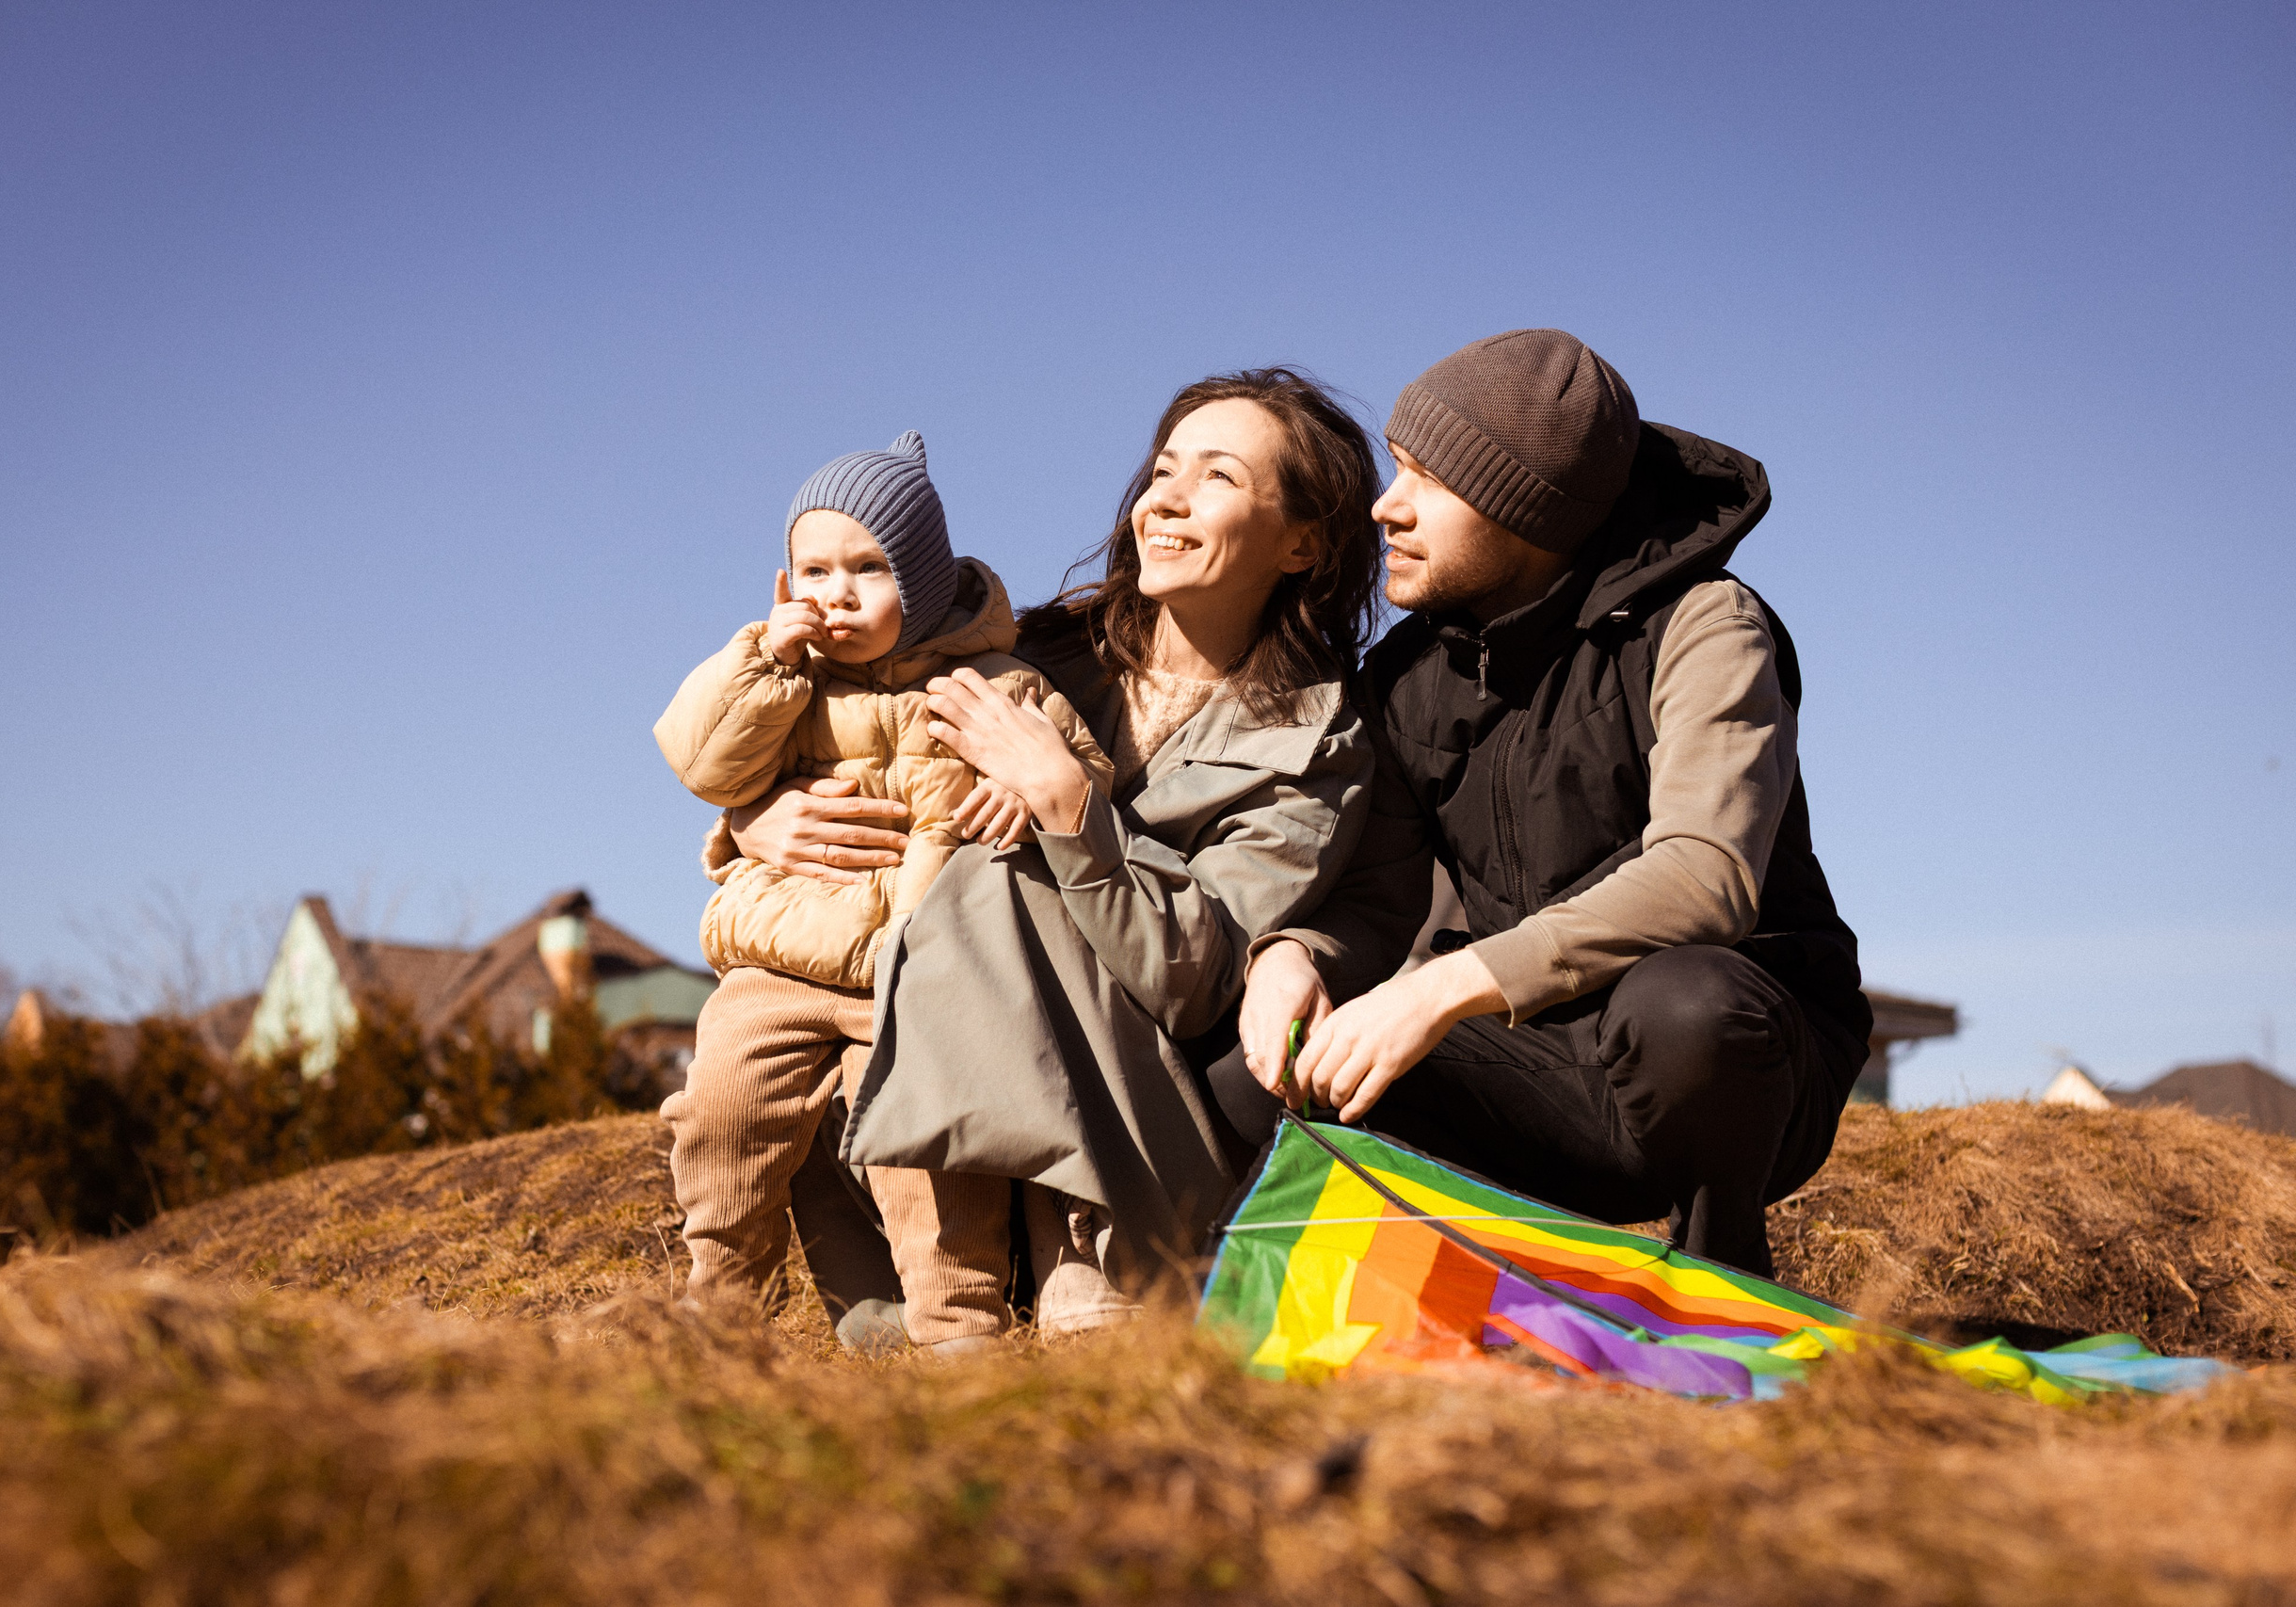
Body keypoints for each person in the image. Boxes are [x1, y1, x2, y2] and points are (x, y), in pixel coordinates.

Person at [721, 371, 1385, 1350]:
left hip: (1125, 1125)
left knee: (1004, 870)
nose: (1164, 497)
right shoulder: (1025, 657)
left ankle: (1081, 1258)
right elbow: (835, 737)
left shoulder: (1317, 744)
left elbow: (1196, 974)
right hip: (937, 1100)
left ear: (1303, 543)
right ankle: (907, 1291)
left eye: (1216, 478)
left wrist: (1070, 805)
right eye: (1163, 469)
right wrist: (751, 819)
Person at [1231, 329, 1872, 1278]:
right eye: (1396, 469)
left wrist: (1442, 986)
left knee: (1684, 1006)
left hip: (1730, 1065)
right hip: (1539, 1068)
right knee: (1273, 1075)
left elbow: (1706, 876)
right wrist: (1292, 958)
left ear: (1526, 511)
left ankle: (1722, 1274)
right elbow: (1376, 899)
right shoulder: (1405, 678)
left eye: (1427, 482)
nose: (1385, 506)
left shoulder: (1705, 624)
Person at [650, 429, 1111, 1341]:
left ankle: (957, 1322)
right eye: (812, 571)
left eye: (869, 568)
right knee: (719, 1114)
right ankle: (720, 1312)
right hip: (776, 965)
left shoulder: (996, 685)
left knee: (925, 1138)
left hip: (915, 974)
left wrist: (1032, 793)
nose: (836, 593)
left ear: (928, 583)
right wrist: (763, 659)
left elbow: (1085, 777)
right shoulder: (789, 688)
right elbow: (701, 762)